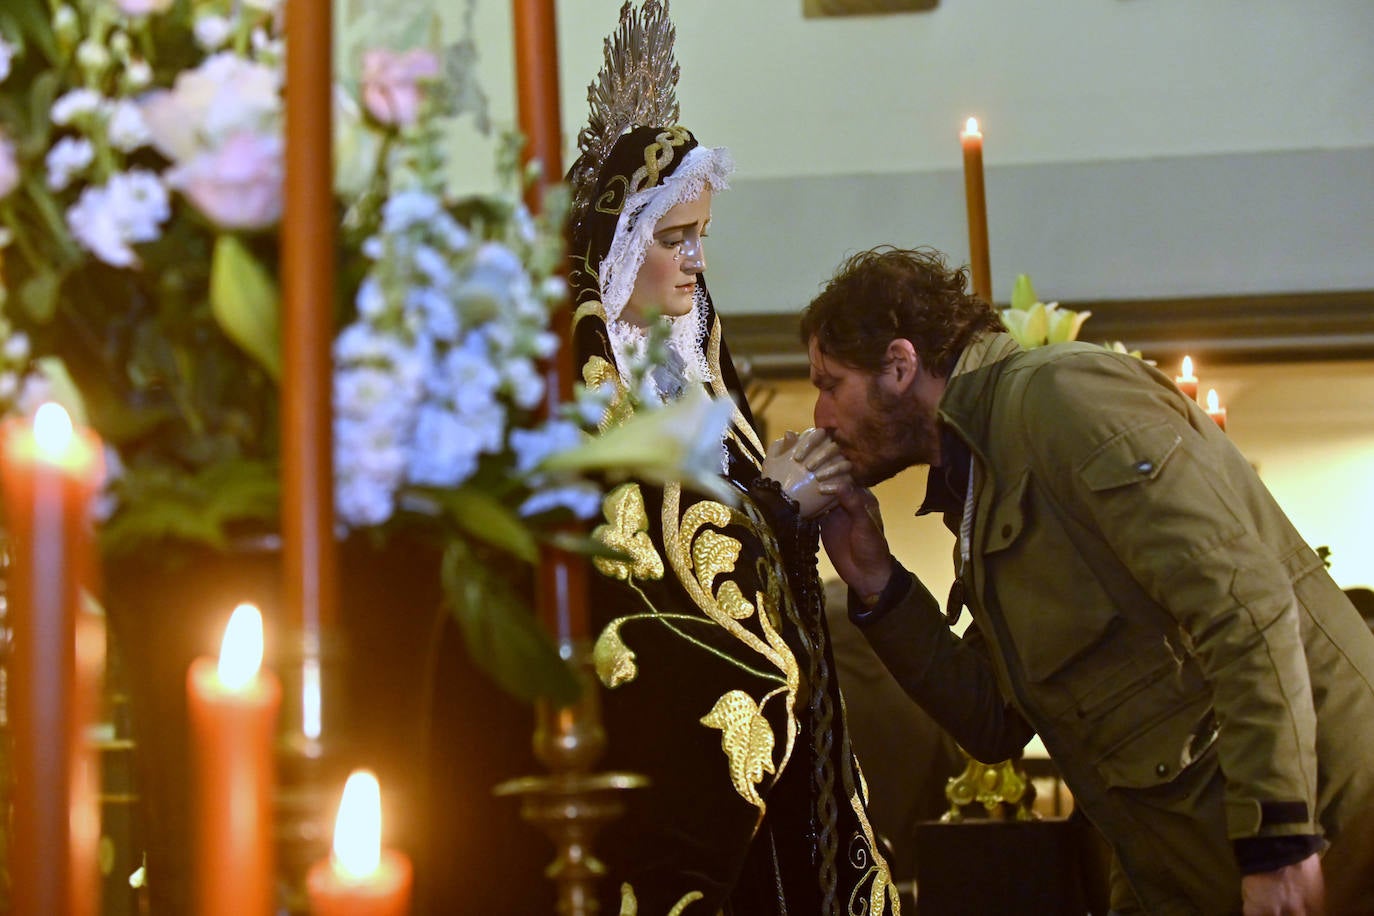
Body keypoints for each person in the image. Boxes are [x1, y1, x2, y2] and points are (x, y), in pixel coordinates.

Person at [798, 245, 1374, 915]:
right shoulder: (986, 476)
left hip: (1336, 844)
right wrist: (876, 580)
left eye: (828, 383)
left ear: (899, 366)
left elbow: (1244, 605)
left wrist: (1279, 839)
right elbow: (993, 723)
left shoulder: (1061, 397)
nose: (820, 418)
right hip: (1191, 868)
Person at [562, 4, 899, 913]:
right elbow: (640, 559)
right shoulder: (580, 392)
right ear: (620, 244)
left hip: (770, 728)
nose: (697, 261)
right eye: (676, 239)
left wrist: (773, 491)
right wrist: (770, 508)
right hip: (665, 732)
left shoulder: (700, 372)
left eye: (703, 236)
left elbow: (727, 515)